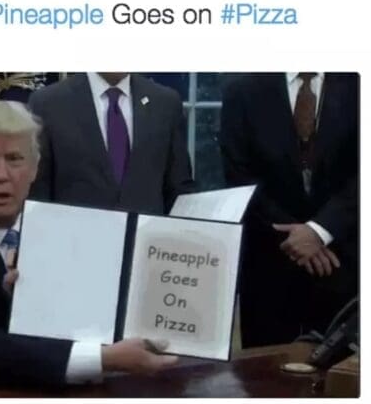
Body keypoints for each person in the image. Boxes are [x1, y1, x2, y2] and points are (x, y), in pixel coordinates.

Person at [0, 100, 178, 395]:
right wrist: (103, 359)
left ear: (34, 169)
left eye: (15, 159)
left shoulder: (64, 234)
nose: (1, 175)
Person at [219, 73, 358, 348]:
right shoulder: (241, 89)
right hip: (269, 266)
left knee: (342, 369)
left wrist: (319, 230)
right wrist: (298, 237)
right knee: (265, 370)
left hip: (344, 260)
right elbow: (239, 176)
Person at [28, 72, 193, 215]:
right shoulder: (49, 103)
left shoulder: (165, 103)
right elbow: (38, 191)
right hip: (74, 237)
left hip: (145, 238)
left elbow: (178, 189)